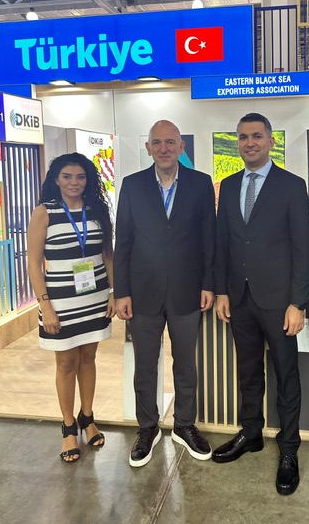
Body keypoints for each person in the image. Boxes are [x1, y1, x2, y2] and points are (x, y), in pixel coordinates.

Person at [213, 113, 309, 496]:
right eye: (243, 137)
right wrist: (222, 291)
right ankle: (251, 433)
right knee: (248, 371)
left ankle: (288, 449)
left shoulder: (291, 186)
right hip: (239, 299)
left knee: (287, 375)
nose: (249, 143)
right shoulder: (229, 185)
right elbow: (224, 243)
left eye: (256, 136)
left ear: (271, 141)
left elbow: (302, 248)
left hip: (279, 302)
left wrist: (298, 302)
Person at [114, 120, 215, 468]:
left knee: (186, 363)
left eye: (170, 142)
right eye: (156, 143)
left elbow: (209, 237)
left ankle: (184, 425)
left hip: (189, 291)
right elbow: (124, 240)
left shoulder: (201, 184)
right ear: (148, 148)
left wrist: (208, 283)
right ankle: (148, 428)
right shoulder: (132, 185)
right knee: (145, 365)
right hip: (143, 293)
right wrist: (122, 292)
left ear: (181, 147)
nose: (164, 148)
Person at [27, 152, 115, 463]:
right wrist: (45, 306)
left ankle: (87, 417)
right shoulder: (44, 213)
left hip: (94, 299)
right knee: (66, 364)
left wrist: (114, 292)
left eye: (80, 176)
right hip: (60, 302)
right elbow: (34, 264)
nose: (74, 182)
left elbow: (107, 255)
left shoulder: (97, 210)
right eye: (67, 176)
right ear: (56, 179)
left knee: (88, 357)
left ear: (88, 180)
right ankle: (68, 428)